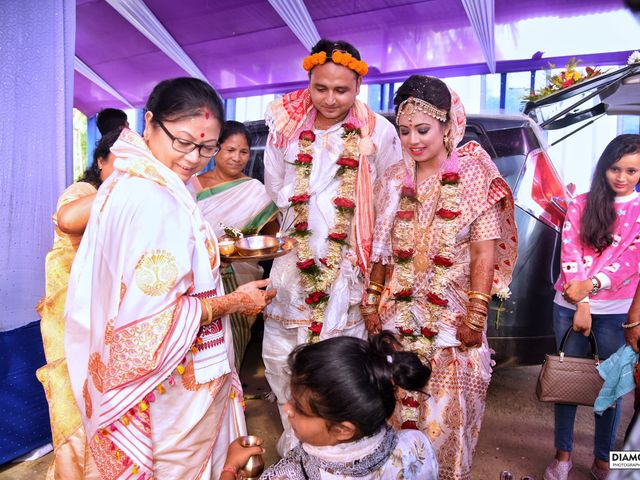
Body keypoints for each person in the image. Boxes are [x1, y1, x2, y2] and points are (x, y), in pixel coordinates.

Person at [64, 77, 276, 480]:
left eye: (206, 147)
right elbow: (154, 321)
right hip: (166, 385)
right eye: (182, 142)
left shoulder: (131, 179)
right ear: (149, 123)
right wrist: (235, 302)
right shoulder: (155, 199)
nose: (194, 157)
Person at [366, 75, 517, 480]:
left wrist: (476, 315)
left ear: (448, 126)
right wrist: (371, 302)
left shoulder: (474, 175)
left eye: (423, 129)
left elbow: (484, 251)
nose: (413, 140)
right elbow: (381, 248)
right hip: (397, 313)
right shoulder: (394, 179)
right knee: (395, 409)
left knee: (447, 415)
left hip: (452, 317)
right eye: (404, 131)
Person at [262, 38, 402, 455]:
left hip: (347, 264)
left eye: (341, 90)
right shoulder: (285, 128)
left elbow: (388, 196)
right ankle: (297, 441)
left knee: (339, 360)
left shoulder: (379, 130)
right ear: (309, 81)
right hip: (294, 259)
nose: (329, 98)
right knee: (279, 355)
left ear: (358, 85)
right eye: (320, 88)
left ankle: (334, 449)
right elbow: (274, 187)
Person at [543, 134, 640, 480]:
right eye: (615, 168)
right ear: (604, 167)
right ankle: (562, 457)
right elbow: (570, 254)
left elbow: (631, 260)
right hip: (569, 306)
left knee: (610, 391)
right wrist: (582, 301)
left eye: (631, 170)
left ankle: (603, 461)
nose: (622, 177)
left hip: (616, 311)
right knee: (566, 383)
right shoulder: (581, 203)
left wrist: (594, 286)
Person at [222, 332, 438, 479]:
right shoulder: (416, 446)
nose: (287, 408)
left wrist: (230, 468)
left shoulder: (290, 474)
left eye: (298, 407)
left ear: (342, 429)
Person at [35, 129, 120, 479]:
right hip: (69, 318)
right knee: (73, 403)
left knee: (105, 405)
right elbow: (67, 218)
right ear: (100, 161)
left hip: (107, 319)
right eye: (121, 161)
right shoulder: (83, 193)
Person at [197, 121, 279, 370]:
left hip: (241, 276)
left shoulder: (255, 191)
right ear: (215, 150)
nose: (237, 158)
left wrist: (239, 245)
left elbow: (272, 239)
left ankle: (231, 398)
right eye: (230, 150)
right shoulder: (192, 184)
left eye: (243, 152)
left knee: (233, 350)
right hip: (199, 278)